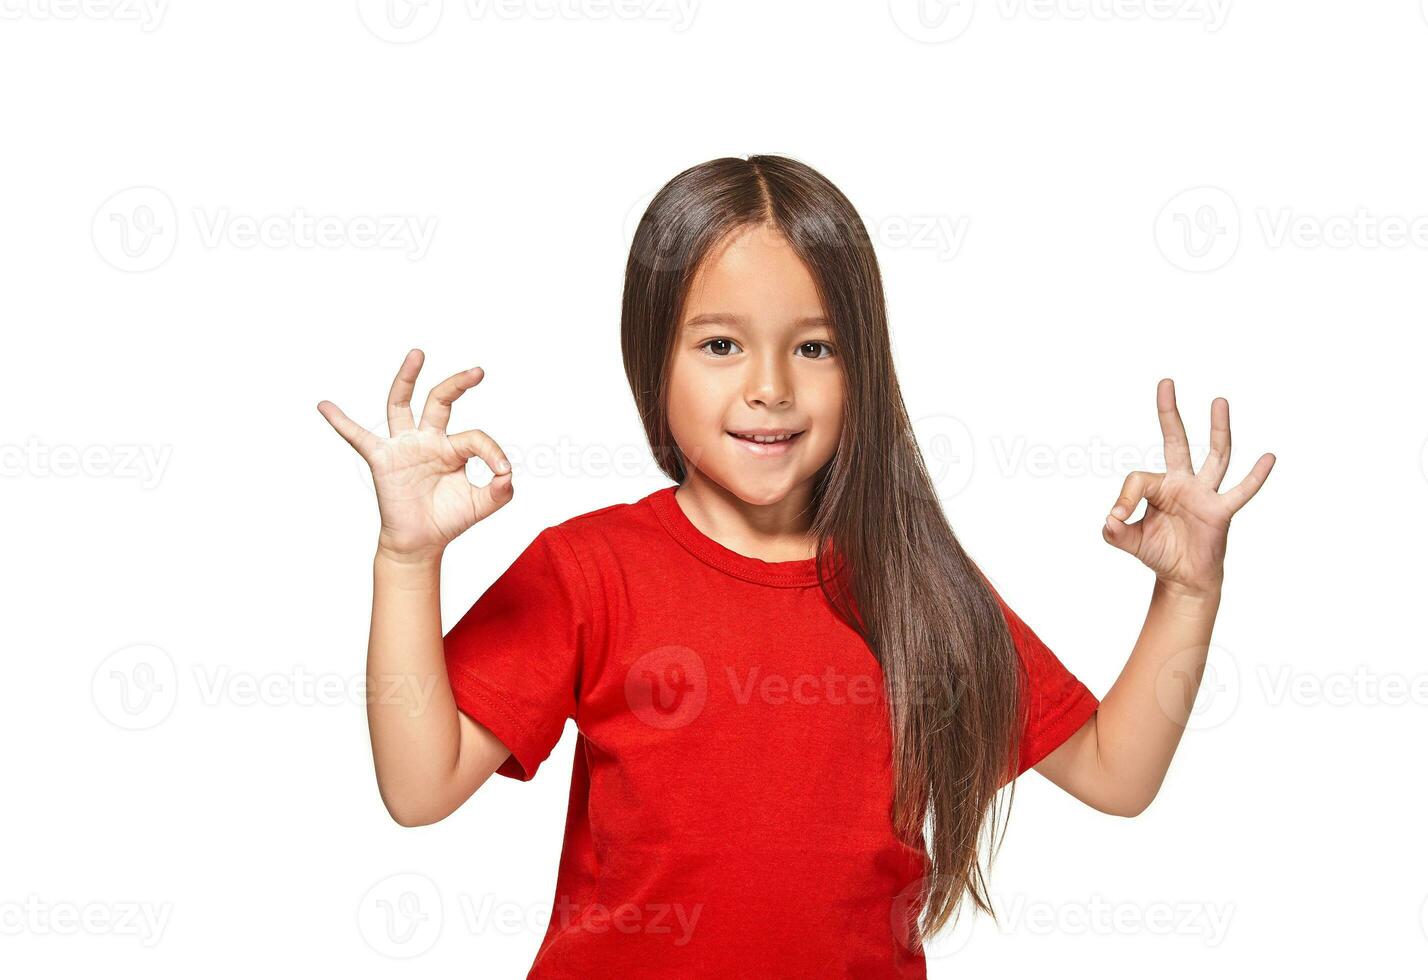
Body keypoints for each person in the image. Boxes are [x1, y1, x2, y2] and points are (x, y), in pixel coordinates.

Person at [317, 154, 1275, 978]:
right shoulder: (588, 569)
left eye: (812, 346)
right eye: (721, 343)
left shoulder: (916, 585)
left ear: (863, 364)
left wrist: (1188, 591)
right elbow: (420, 785)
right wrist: (407, 559)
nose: (769, 386)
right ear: (653, 359)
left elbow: (1117, 773)